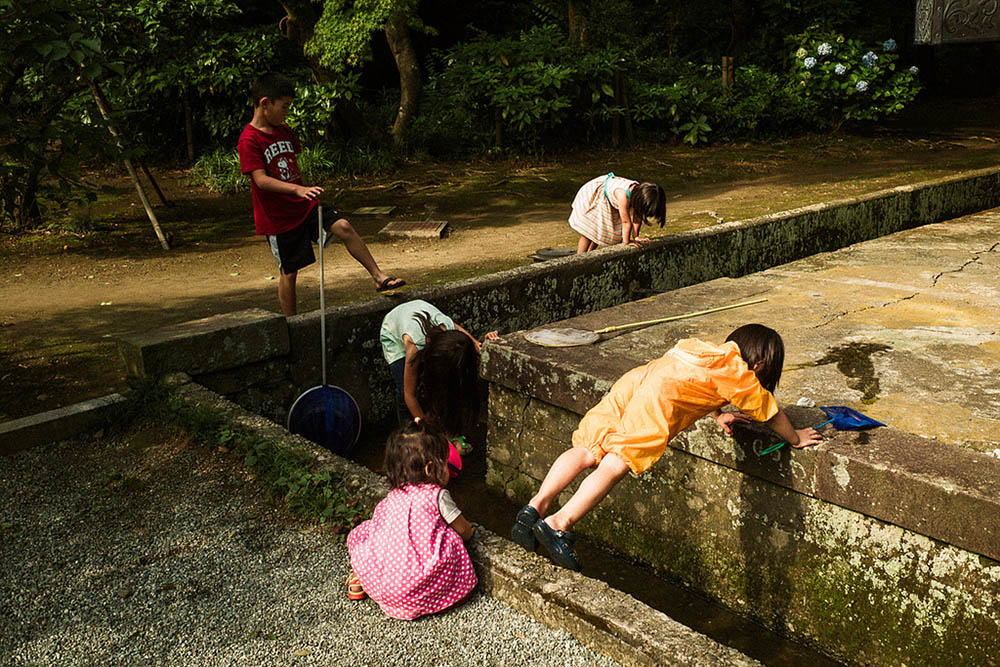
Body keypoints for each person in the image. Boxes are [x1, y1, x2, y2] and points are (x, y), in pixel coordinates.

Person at [510, 324, 823, 571]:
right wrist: (795, 438)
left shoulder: (702, 349)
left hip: (634, 383)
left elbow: (691, 381)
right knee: (616, 462)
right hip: (654, 402)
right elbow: (769, 412)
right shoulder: (740, 374)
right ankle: (558, 524)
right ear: (758, 364)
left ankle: (535, 507)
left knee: (588, 449)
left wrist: (718, 413)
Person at [237, 73, 404, 316]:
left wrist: (303, 190)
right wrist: (297, 189)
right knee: (289, 270)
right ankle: (292, 322)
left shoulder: (284, 131)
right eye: (284, 107)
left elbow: (290, 162)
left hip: (304, 205)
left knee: (344, 226)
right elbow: (260, 181)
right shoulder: (249, 140)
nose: (287, 112)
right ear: (265, 104)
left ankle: (379, 277)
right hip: (278, 217)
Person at [345, 420, 477, 619]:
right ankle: (451, 594)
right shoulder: (437, 496)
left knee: (371, 532)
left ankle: (359, 577)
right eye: (444, 461)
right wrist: (471, 530)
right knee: (452, 540)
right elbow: (464, 530)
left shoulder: (396, 494)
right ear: (429, 468)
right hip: (409, 589)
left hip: (381, 584)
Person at [379, 299, 499, 457]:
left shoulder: (447, 329)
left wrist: (477, 344)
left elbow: (457, 329)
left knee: (444, 385)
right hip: (393, 333)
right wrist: (430, 435)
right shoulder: (414, 347)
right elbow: (409, 395)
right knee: (404, 390)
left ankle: (441, 427)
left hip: (417, 311)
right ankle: (409, 439)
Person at [569, 173, 666, 253]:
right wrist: (627, 242)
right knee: (590, 231)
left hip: (610, 201)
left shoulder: (639, 194)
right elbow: (626, 223)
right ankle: (579, 256)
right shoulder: (623, 195)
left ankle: (589, 254)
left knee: (600, 231)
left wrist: (635, 236)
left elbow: (637, 217)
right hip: (598, 196)